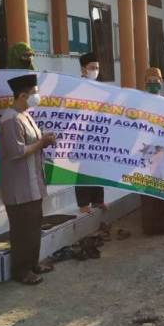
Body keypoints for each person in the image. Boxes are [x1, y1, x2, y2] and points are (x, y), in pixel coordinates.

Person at [0, 73, 57, 285]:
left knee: (34, 226)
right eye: (34, 93)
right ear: (22, 95)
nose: (37, 96)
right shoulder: (10, 119)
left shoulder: (25, 114)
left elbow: (34, 143)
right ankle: (21, 270)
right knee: (22, 230)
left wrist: (45, 139)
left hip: (32, 182)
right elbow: (16, 152)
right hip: (19, 186)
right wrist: (41, 143)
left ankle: (32, 264)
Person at [140, 67, 164, 235]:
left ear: (162, 82)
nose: (153, 84)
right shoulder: (139, 102)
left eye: (156, 81)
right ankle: (150, 227)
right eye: (150, 81)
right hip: (146, 152)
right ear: (144, 83)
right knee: (148, 191)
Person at [75, 52, 107, 213]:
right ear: (83, 69)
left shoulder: (100, 87)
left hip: (98, 134)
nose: (95, 71)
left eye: (97, 68)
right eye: (92, 68)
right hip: (81, 136)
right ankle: (83, 204)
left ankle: (98, 200)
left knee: (97, 167)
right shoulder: (76, 86)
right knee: (83, 170)